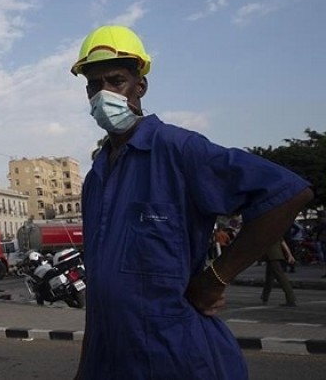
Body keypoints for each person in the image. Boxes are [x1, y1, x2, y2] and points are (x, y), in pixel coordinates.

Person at [69, 25, 313, 380]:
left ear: (141, 86)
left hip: (177, 358)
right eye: (94, 85)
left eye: (116, 80)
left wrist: (216, 277)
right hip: (111, 361)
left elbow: (288, 193)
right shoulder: (96, 177)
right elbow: (101, 290)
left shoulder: (178, 150)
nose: (103, 93)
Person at [260, 238, 297, 306]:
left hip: (271, 255)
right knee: (269, 277)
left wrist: (290, 255)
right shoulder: (275, 231)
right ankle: (264, 297)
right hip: (274, 255)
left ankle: (291, 299)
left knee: (280, 276)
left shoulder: (265, 231)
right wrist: (290, 255)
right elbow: (283, 242)